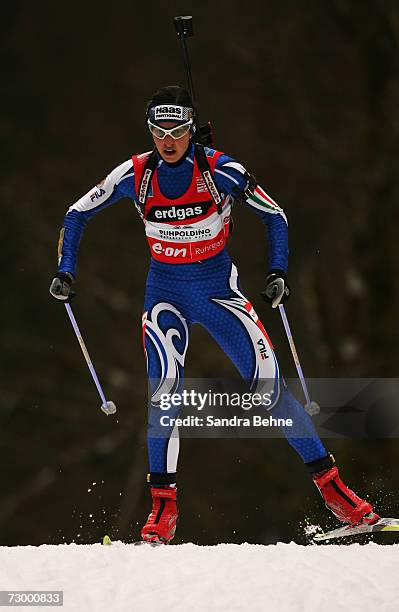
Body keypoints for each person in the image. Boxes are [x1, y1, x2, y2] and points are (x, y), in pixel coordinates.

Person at [50, 85, 379, 544]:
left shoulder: (220, 170)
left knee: (268, 390)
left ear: (191, 129)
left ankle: (340, 498)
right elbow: (75, 213)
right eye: (159, 130)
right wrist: (66, 270)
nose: (168, 140)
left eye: (178, 130)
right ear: (150, 130)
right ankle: (162, 511)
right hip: (164, 296)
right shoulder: (135, 174)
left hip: (218, 294)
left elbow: (275, 215)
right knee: (164, 393)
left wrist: (278, 270)